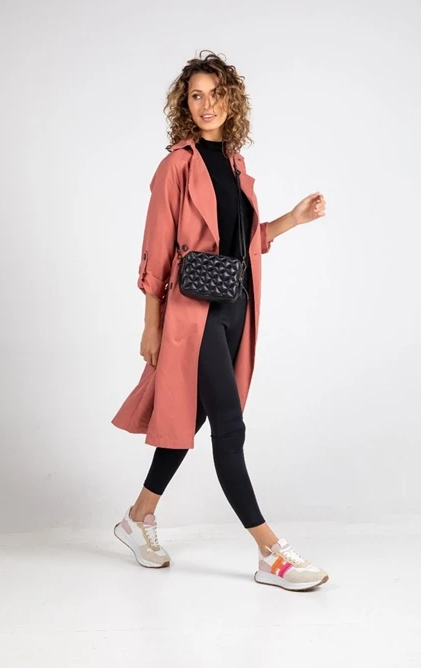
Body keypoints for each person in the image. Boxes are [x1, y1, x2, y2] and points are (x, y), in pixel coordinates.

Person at [111, 51, 328, 591]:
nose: (206, 104)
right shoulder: (175, 167)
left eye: (215, 94)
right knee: (229, 428)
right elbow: (156, 251)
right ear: (184, 105)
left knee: (192, 418)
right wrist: (151, 325)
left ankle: (137, 517)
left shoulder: (235, 166)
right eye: (196, 96)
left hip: (236, 310)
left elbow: (243, 246)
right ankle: (270, 552)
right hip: (192, 314)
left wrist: (294, 219)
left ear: (232, 101)